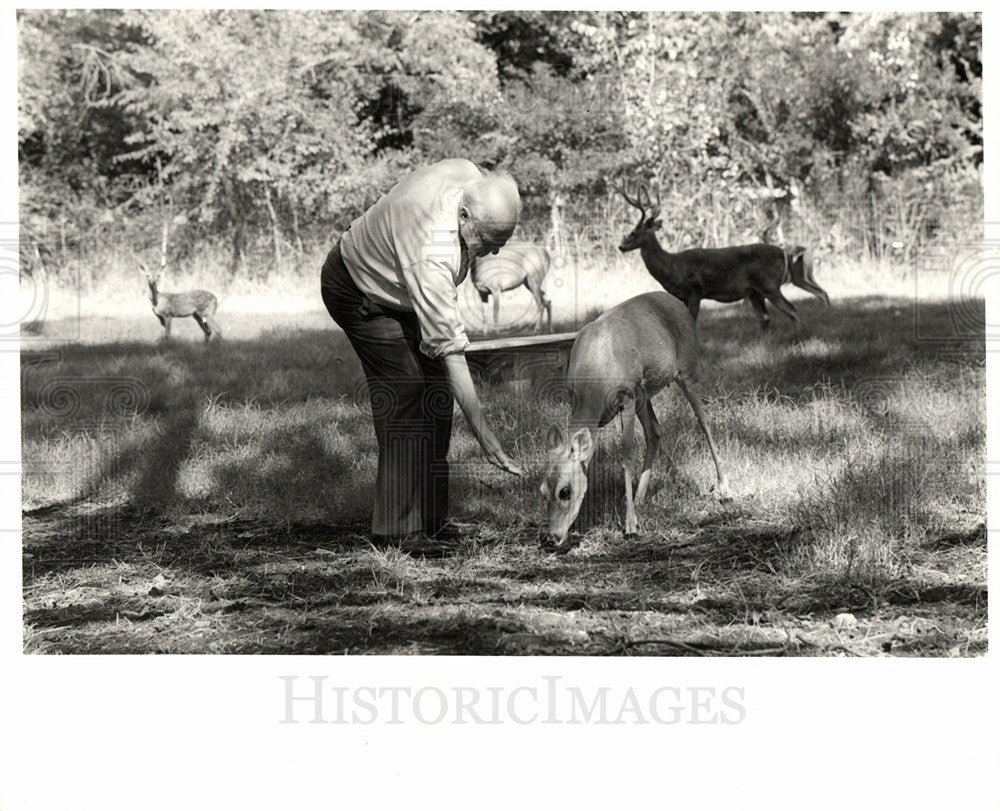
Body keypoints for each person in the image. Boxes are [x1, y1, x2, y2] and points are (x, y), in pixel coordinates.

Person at [321, 159, 524, 553]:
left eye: (502, 241)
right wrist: (485, 435)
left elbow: (441, 335)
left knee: (436, 397)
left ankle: (431, 520)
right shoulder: (431, 252)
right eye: (488, 240)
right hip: (358, 290)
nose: (495, 251)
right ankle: (397, 530)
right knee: (407, 394)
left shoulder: (470, 177)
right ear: (463, 215)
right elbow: (449, 349)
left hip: (404, 291)